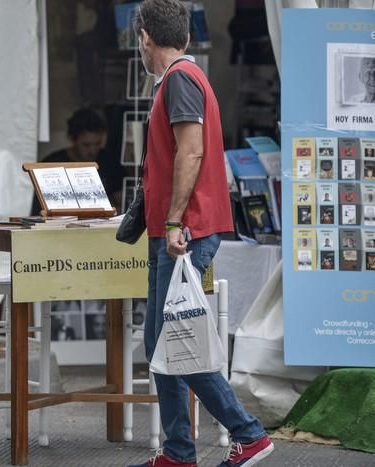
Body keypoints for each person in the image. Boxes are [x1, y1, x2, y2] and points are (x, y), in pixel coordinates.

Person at [127, 2, 273, 467]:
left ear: (145, 38)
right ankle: (178, 452)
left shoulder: (179, 80)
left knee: (175, 338)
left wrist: (172, 221)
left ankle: (247, 434)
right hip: (180, 227)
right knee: (162, 342)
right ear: (186, 38)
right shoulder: (182, 79)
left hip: (184, 228)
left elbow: (190, 152)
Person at [31, 108, 124, 215]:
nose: (92, 151)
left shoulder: (110, 162)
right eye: (86, 145)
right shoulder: (52, 165)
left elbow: (123, 202)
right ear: (72, 139)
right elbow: (39, 210)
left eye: (98, 144)